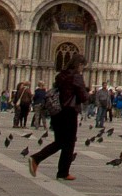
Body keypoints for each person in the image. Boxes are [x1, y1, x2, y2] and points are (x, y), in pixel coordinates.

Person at [26, 43, 87, 180]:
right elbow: (83, 97)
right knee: (69, 142)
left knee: (61, 141)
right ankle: (37, 159)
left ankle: (62, 172)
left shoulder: (61, 75)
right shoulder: (76, 76)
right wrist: (87, 92)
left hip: (56, 112)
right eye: (83, 65)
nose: (83, 68)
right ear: (79, 65)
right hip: (69, 112)